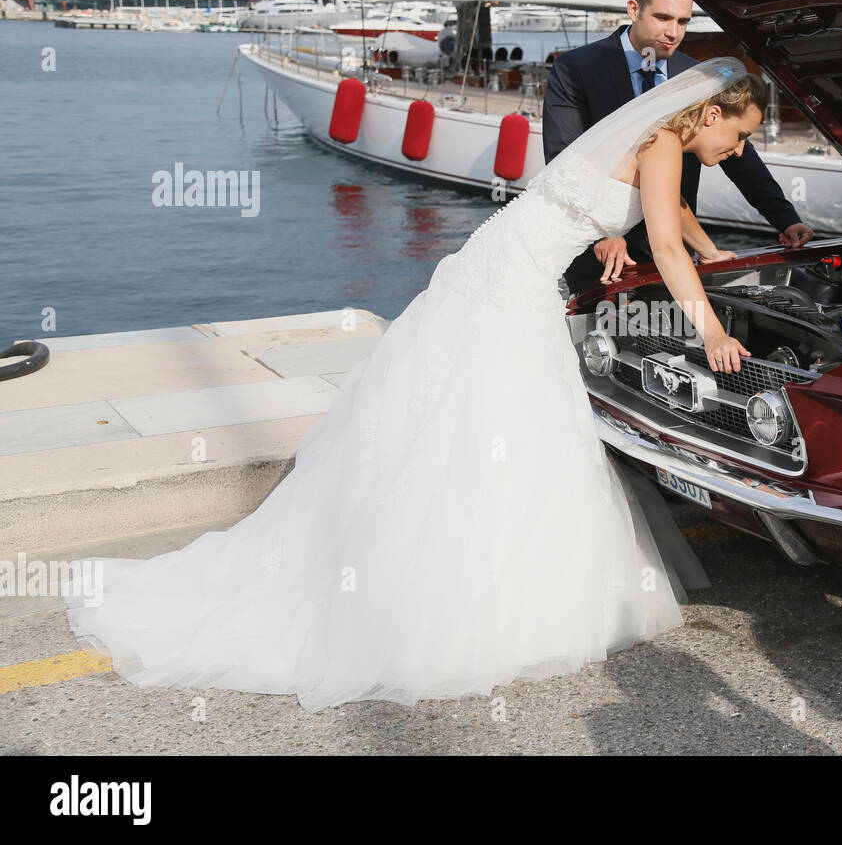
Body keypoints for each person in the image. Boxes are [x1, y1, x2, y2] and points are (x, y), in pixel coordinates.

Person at [61, 57, 761, 714]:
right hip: (509, 290)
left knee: (464, 426)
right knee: (495, 429)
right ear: (708, 115)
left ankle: (466, 592)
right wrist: (711, 332)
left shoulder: (655, 137)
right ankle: (464, 609)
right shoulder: (665, 147)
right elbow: (663, 242)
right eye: (739, 136)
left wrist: (701, 250)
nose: (737, 152)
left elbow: (668, 220)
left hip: (494, 265)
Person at [544, 0, 814, 295]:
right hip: (603, 257)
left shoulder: (697, 76)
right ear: (634, 10)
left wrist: (785, 219)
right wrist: (602, 234)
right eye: (662, 17)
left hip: (675, 247)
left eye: (683, 22)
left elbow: (739, 154)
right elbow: (565, 158)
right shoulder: (577, 68)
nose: (673, 32)